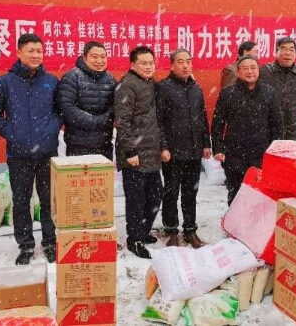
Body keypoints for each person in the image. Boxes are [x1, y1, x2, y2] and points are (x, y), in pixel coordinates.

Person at [0, 33, 61, 265]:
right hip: (18, 154)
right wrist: (11, 132)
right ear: (19, 53)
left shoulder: (51, 81)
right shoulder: (5, 83)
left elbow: (60, 111)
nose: (36, 55)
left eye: (39, 51)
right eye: (31, 51)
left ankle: (50, 243)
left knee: (49, 201)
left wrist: (51, 130)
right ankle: (26, 245)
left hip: (47, 152)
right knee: (21, 201)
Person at [156, 49, 211, 248]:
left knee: (191, 193)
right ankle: (171, 230)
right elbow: (159, 121)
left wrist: (206, 143)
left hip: (194, 150)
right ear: (172, 65)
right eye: (181, 62)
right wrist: (163, 147)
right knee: (171, 193)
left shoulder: (196, 88)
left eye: (188, 61)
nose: (186, 65)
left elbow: (202, 117)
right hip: (172, 152)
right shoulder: (163, 87)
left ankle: (190, 230)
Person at [212, 55, 283, 205]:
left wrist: (273, 151)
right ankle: (235, 220)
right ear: (238, 72)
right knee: (236, 195)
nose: (250, 71)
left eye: (253, 68)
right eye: (245, 68)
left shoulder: (269, 92)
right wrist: (218, 149)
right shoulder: (228, 93)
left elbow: (277, 125)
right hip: (234, 154)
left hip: (260, 154)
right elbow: (218, 123)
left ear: (258, 70)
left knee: (259, 197)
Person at [114, 46, 163, 259]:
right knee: (136, 200)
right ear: (133, 64)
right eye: (144, 63)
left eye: (151, 63)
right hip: (134, 154)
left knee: (155, 194)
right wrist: (130, 151)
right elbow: (123, 121)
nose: (148, 67)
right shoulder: (127, 85)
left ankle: (142, 232)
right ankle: (134, 239)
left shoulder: (150, 83)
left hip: (151, 151)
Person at [58, 41, 116, 160]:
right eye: (94, 57)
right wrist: (95, 121)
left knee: (102, 173)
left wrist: (107, 117)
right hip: (78, 144)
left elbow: (115, 106)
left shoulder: (110, 79)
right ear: (84, 58)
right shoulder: (72, 77)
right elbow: (67, 109)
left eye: (103, 57)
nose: (99, 61)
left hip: (104, 143)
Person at [259, 37, 296, 140]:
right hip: (269, 130)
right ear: (276, 52)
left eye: (291, 49)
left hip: (294, 131)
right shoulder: (264, 72)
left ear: (295, 54)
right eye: (284, 49)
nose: (288, 53)